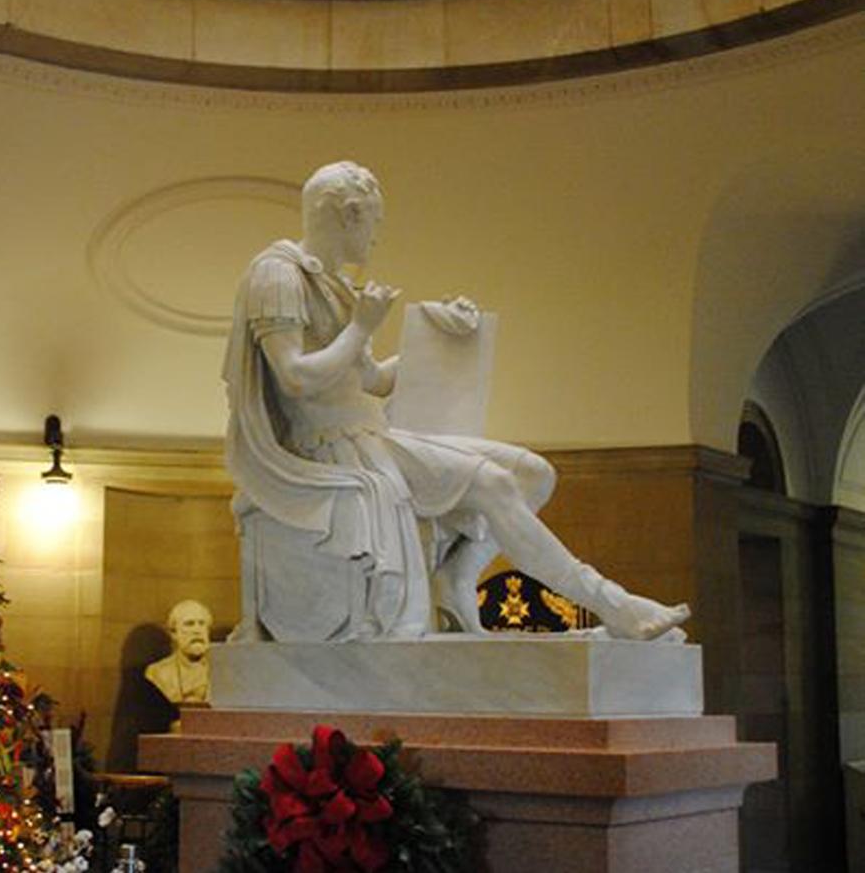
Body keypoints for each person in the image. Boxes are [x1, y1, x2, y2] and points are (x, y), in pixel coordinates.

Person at [222, 160, 688, 641]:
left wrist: (441, 336)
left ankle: (458, 578)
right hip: (330, 447)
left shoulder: (335, 285)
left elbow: (375, 380)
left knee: (533, 474)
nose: (377, 236)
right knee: (494, 484)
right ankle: (615, 605)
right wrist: (363, 325)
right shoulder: (276, 274)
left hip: (372, 436)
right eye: (375, 222)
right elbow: (295, 377)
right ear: (350, 214)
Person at [144, 600, 213, 704]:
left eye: (202, 623)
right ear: (174, 633)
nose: (197, 630)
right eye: (189, 624)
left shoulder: (226, 672)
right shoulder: (156, 673)